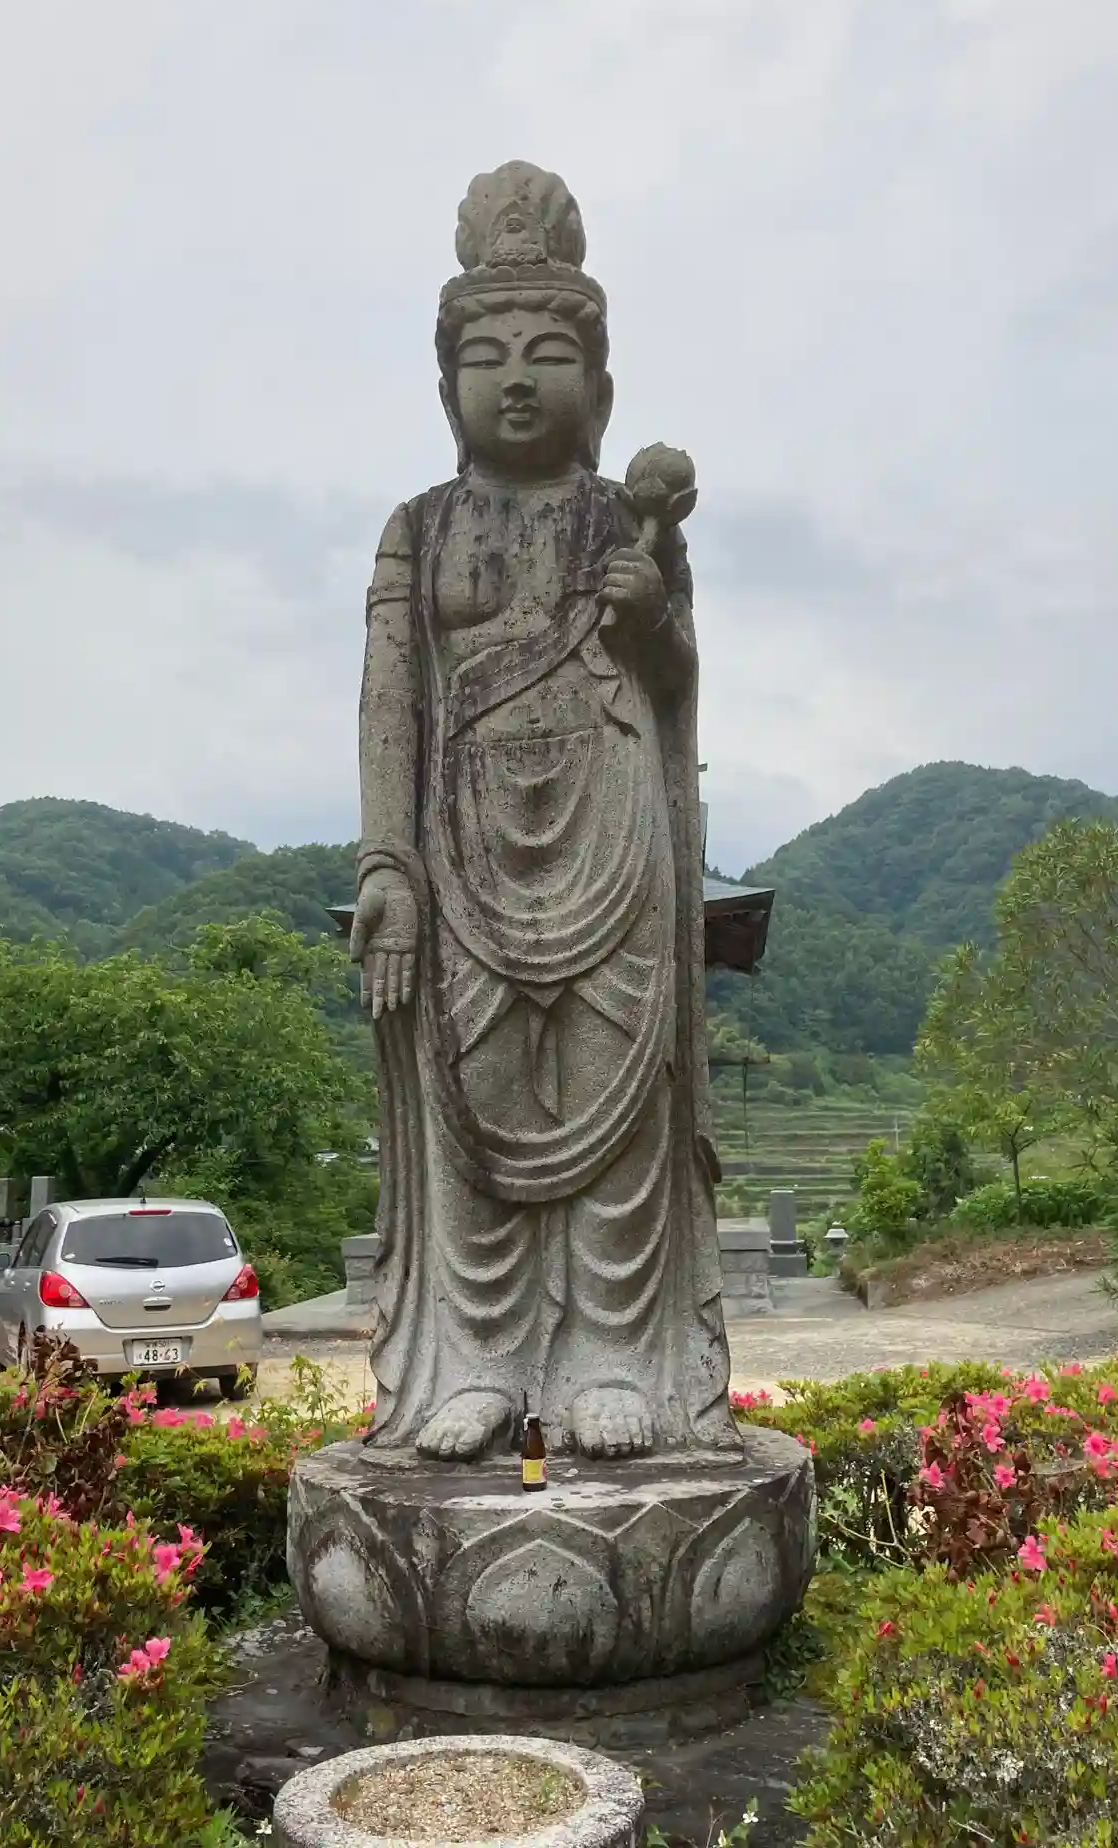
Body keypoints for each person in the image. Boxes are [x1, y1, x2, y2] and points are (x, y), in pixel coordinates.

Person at [350, 162, 736, 1464]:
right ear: (447, 389)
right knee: (474, 1095)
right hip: (464, 847)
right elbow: (390, 706)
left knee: (624, 1099)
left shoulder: (626, 525)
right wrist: (387, 866)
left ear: (601, 390)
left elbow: (675, 684)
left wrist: (656, 622)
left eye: (550, 355)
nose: (518, 380)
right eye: (489, 357)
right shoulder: (418, 529)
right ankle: (479, 1357)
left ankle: (615, 1355)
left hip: (613, 828)